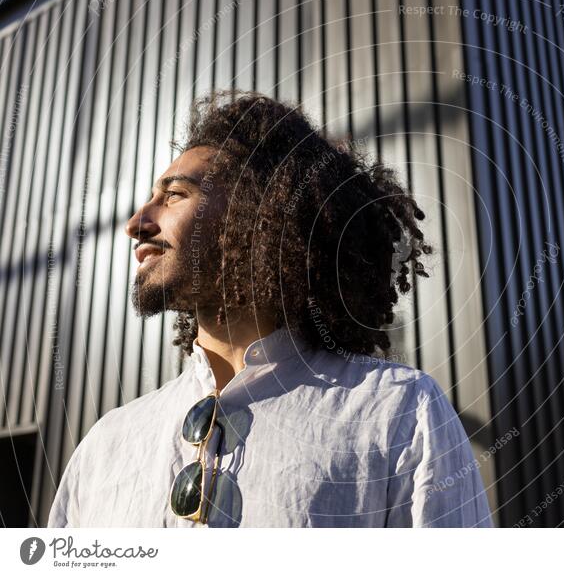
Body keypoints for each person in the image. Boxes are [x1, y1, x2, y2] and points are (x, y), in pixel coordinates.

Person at [47, 91, 492, 528]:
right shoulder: (106, 446)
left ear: (259, 212)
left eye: (175, 195)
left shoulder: (396, 412)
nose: (136, 223)